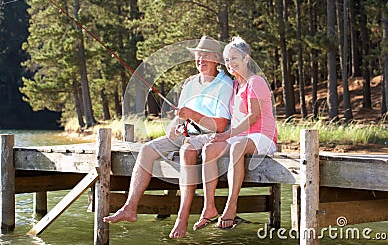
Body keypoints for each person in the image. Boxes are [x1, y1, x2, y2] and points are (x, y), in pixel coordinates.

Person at [103, 36, 233, 239]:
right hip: (188, 133)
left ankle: (182, 217)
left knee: (186, 149)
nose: (200, 60)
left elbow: (221, 124)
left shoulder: (225, 84)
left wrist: (192, 116)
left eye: (206, 56)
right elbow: (179, 119)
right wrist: (174, 128)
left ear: (217, 58)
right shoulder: (190, 84)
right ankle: (130, 207)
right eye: (198, 56)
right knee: (146, 149)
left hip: (211, 137)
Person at [193, 36, 278, 230]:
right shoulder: (234, 86)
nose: (230, 63)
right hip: (241, 137)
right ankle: (209, 207)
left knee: (237, 146)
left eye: (234, 58)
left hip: (263, 136)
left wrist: (227, 135)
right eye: (227, 60)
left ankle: (231, 206)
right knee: (209, 150)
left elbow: (253, 117)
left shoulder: (255, 82)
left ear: (246, 58)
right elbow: (213, 88)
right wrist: (197, 81)